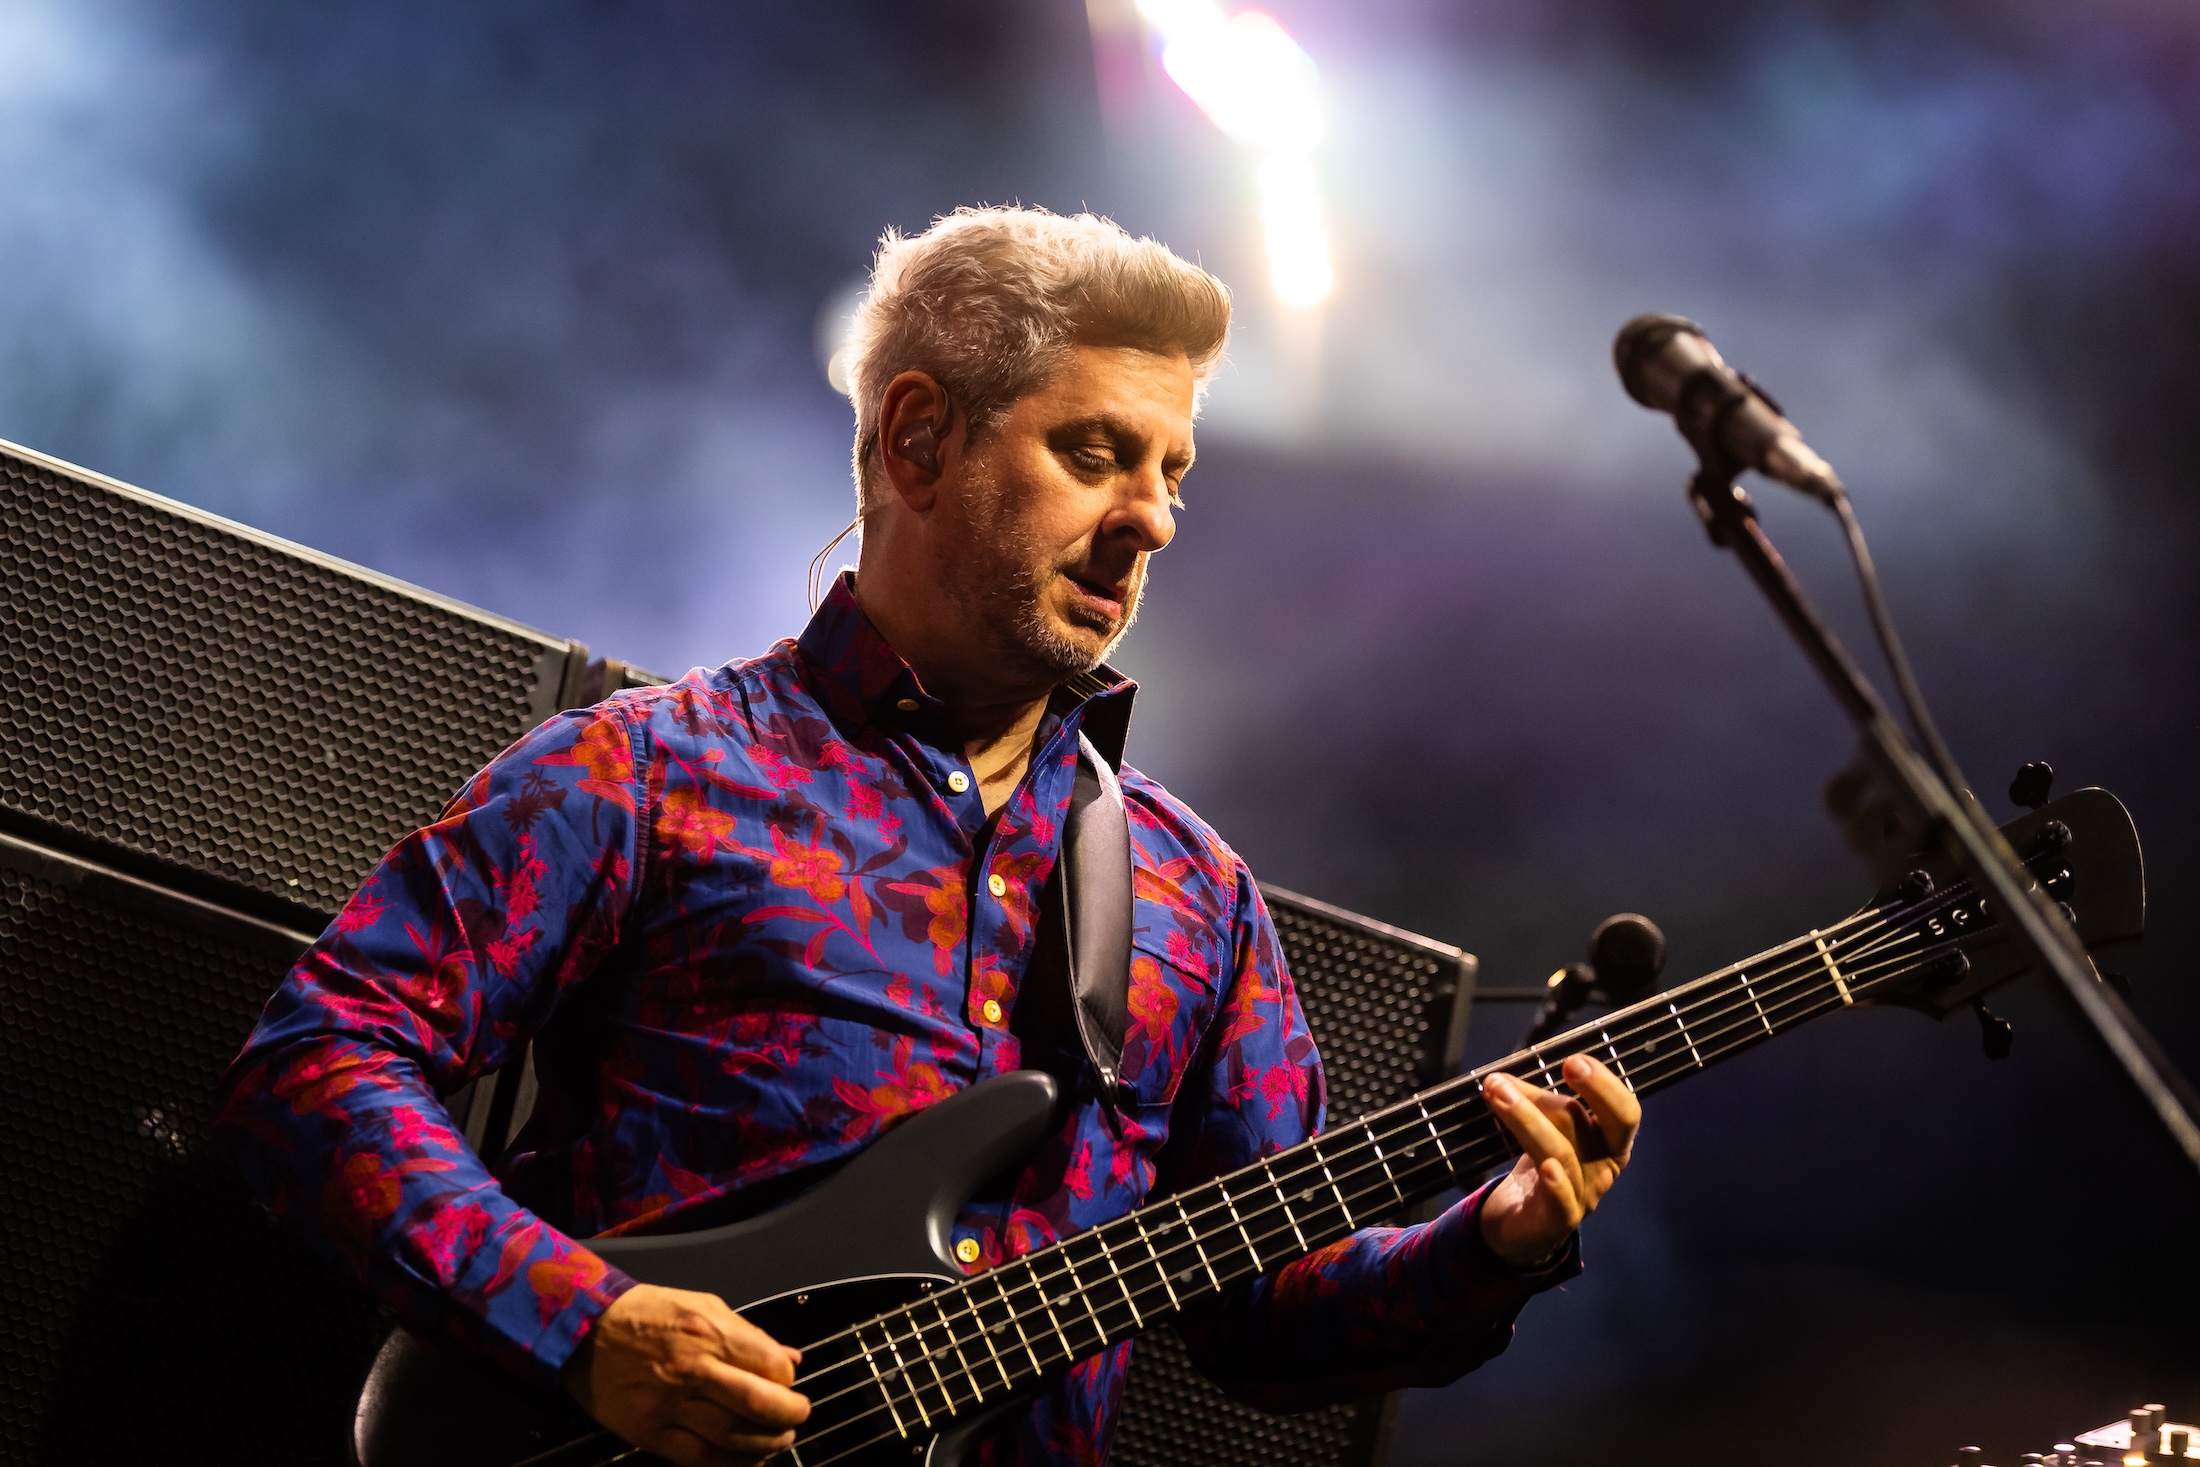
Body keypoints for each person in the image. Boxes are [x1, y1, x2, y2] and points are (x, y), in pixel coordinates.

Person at [215, 206, 1640, 1467]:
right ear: (917, 439)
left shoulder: (1192, 893)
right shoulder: (655, 772)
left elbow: (1268, 1313)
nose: (1149, 517)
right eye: (1095, 452)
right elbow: (317, 1061)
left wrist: (1496, 1243)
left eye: (1173, 471)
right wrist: (585, 1324)